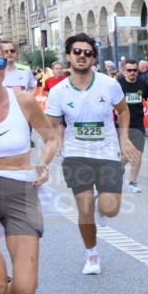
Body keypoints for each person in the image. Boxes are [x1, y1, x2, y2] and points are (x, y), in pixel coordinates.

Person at [45, 34, 138, 275]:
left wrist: (124, 138)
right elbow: (52, 126)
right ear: (68, 56)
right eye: (77, 52)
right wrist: (50, 152)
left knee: (110, 209)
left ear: (93, 58)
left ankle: (102, 202)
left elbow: (124, 111)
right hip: (76, 153)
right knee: (84, 206)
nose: (82, 56)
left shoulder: (109, 84)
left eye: (87, 53)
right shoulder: (58, 92)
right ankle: (92, 255)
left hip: (107, 152)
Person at [0, 42, 59, 294]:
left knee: (25, 285)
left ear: (5, 63)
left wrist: (44, 164)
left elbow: (50, 138)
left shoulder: (22, 101)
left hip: (21, 191)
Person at [117, 59, 148, 192]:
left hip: (138, 123)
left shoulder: (142, 84)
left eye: (135, 70)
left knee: (138, 153)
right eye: (129, 70)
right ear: (125, 71)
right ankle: (119, 166)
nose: (132, 73)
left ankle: (132, 182)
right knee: (128, 152)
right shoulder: (118, 85)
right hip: (122, 124)